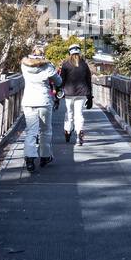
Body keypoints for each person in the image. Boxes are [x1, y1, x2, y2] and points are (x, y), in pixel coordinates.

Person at [20, 42, 60, 173]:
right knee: (45, 130)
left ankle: (30, 159)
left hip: (29, 101)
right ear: (43, 55)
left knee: (31, 131)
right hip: (44, 101)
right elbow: (59, 81)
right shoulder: (48, 67)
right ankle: (45, 156)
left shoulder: (24, 66)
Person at [58, 44, 94, 145]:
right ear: (79, 52)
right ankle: (79, 134)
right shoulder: (84, 65)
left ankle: (68, 131)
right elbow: (88, 80)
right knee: (79, 114)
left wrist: (59, 92)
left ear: (69, 52)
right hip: (82, 93)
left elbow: (62, 80)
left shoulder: (66, 64)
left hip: (69, 93)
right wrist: (90, 97)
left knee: (69, 113)